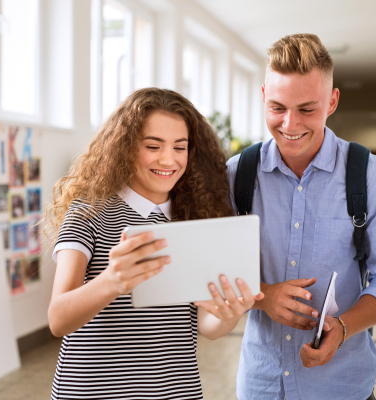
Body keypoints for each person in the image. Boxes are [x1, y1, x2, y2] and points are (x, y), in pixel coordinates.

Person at [226, 34, 376, 400]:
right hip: (260, 385)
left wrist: (343, 327)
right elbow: (215, 270)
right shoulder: (236, 175)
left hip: (343, 386)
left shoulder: (373, 176)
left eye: (307, 109)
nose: (290, 123)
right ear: (263, 95)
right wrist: (262, 296)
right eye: (277, 107)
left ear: (332, 101)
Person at [45, 88, 263, 400]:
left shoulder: (195, 221)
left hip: (175, 392)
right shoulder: (88, 213)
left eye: (180, 147)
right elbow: (58, 318)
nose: (168, 159)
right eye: (153, 146)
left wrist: (231, 311)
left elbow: (208, 325)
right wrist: (112, 280)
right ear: (125, 147)